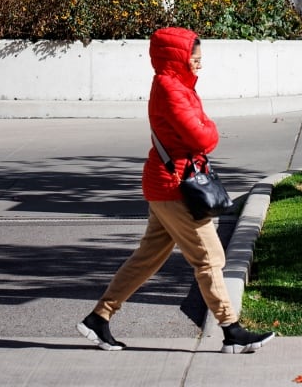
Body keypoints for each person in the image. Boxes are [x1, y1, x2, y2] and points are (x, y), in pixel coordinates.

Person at [77, 26, 275, 354]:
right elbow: (202, 137)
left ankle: (99, 318)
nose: (199, 64)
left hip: (168, 183)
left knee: (147, 258)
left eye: (200, 59)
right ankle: (232, 331)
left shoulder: (179, 85)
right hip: (174, 187)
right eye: (194, 58)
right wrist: (210, 129)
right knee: (210, 258)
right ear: (178, 57)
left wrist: (204, 127)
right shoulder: (170, 88)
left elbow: (199, 130)